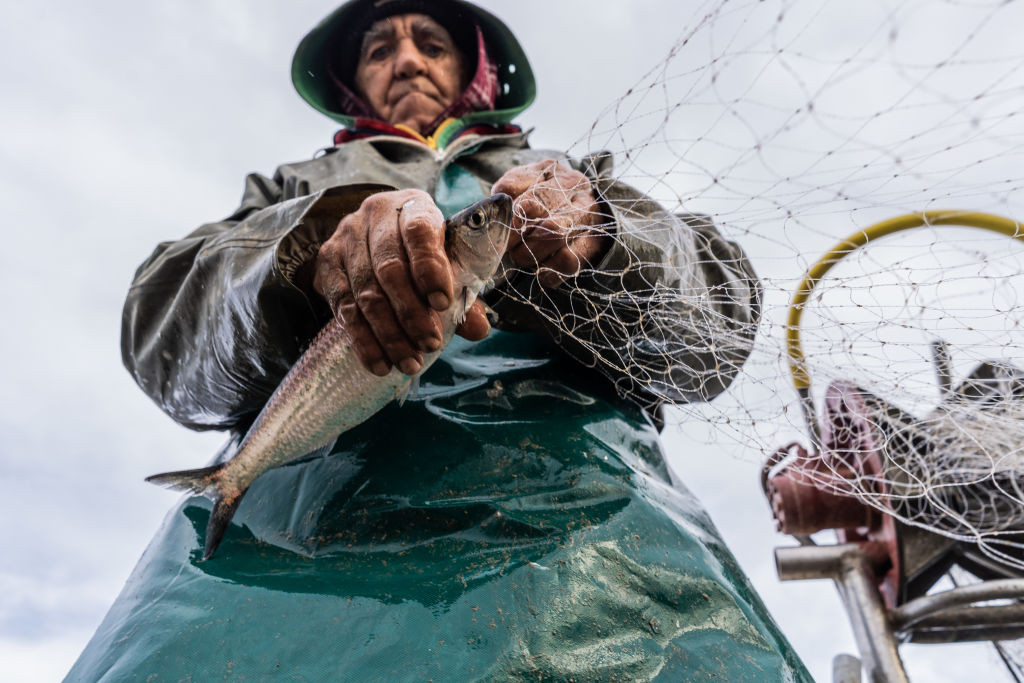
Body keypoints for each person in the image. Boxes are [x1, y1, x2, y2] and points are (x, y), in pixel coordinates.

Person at [69, 1, 811, 680]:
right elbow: (163, 340)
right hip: (278, 541)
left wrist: (606, 235)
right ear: (355, 80)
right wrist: (305, 250)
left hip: (596, 544)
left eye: (431, 43)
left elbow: (719, 326)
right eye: (380, 48)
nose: (407, 60)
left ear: (473, 69)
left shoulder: (576, 177)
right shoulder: (288, 189)